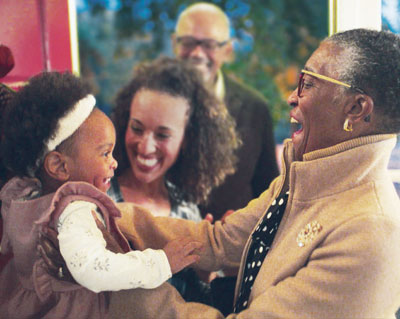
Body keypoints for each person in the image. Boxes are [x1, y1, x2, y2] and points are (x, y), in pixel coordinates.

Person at [106, 28, 400, 318]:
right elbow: (218, 241)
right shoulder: (302, 179)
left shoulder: (370, 233)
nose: (291, 97)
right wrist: (106, 215)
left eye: (307, 83)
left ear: (357, 108)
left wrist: (121, 283)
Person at [0, 71, 202, 318]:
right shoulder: (74, 210)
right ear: (60, 166)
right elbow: (94, 269)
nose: (114, 163)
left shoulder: (22, 194)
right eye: (105, 153)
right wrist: (162, 263)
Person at [106, 56, 240, 304]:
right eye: (136, 128)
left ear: (187, 140)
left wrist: (205, 270)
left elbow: (196, 302)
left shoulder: (187, 212)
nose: (145, 147)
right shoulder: (99, 200)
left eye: (162, 135)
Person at [172, 2, 280, 221]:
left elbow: (267, 190)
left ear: (227, 50)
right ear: (175, 44)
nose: (196, 53)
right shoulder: (150, 102)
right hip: (163, 243)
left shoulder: (255, 108)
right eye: (188, 42)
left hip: (232, 246)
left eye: (208, 45)